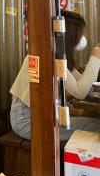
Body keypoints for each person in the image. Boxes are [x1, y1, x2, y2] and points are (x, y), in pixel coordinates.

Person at [10, 10, 100, 144]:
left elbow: (80, 84)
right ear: (70, 36)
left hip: (41, 116)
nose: (82, 38)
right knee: (95, 126)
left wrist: (92, 65)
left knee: (93, 123)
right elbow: (81, 92)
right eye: (80, 34)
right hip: (27, 122)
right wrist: (96, 56)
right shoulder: (49, 55)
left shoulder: (56, 54)